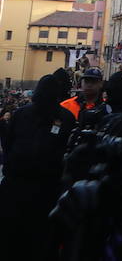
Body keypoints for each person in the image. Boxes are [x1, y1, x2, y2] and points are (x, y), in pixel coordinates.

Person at [0, 72, 76, 258]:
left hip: (28, 188)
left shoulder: (23, 114)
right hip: (39, 190)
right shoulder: (64, 117)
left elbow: (8, 144)